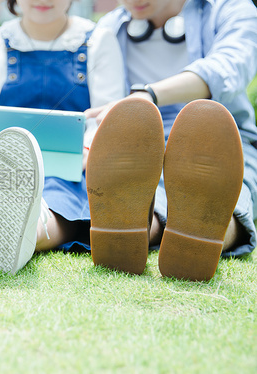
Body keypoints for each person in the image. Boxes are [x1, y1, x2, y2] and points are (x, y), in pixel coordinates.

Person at [0, 0, 126, 274]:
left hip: (73, 168)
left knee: (57, 202)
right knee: (3, 185)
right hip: (3, 164)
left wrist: (89, 151)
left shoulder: (98, 41)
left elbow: (107, 115)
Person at [84, 0, 257, 280]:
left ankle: (204, 231)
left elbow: (227, 68)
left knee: (227, 194)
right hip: (138, 146)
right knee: (152, 200)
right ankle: (130, 232)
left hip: (220, 139)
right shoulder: (109, 28)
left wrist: (147, 94)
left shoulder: (231, 9)